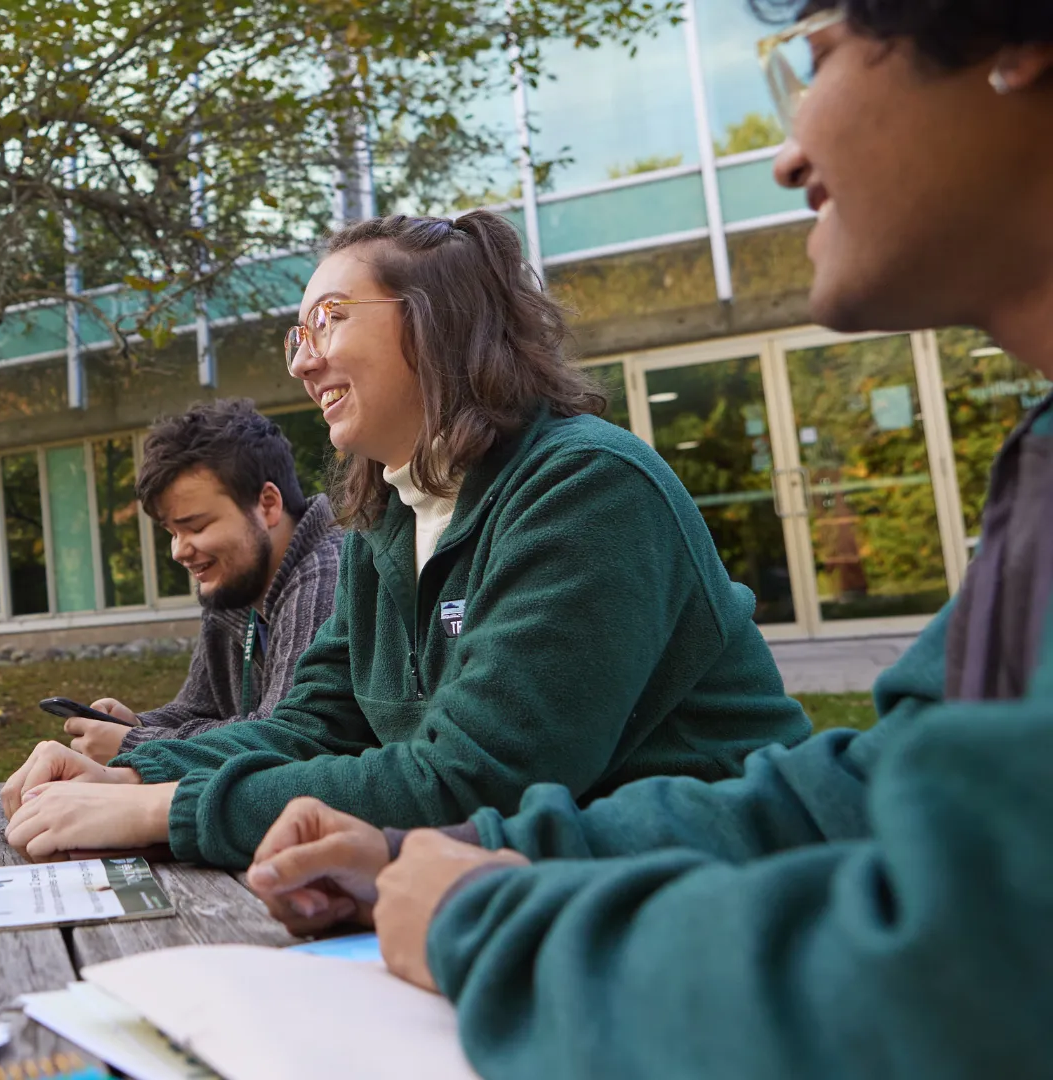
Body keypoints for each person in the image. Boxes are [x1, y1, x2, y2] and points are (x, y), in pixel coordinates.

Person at [247, 2, 1053, 1074]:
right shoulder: (1040, 472)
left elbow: (966, 965)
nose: (787, 153)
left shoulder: (582, 483)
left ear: (1020, 43)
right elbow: (857, 793)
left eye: (813, 60)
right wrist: (440, 855)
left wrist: (487, 912)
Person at [0, 209, 811, 865]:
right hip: (536, 892)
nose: (303, 363)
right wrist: (133, 766)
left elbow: (474, 781)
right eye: (297, 337)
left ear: (434, 324)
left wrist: (160, 808)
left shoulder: (587, 488)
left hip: (727, 888)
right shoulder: (387, 520)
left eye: (327, 321)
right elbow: (314, 725)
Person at [61, 399, 342, 765]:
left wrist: (135, 743)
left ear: (268, 505)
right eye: (172, 531)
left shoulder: (329, 575)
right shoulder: (236, 581)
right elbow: (196, 712)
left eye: (195, 527)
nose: (179, 550)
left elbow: (286, 737)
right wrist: (135, 723)